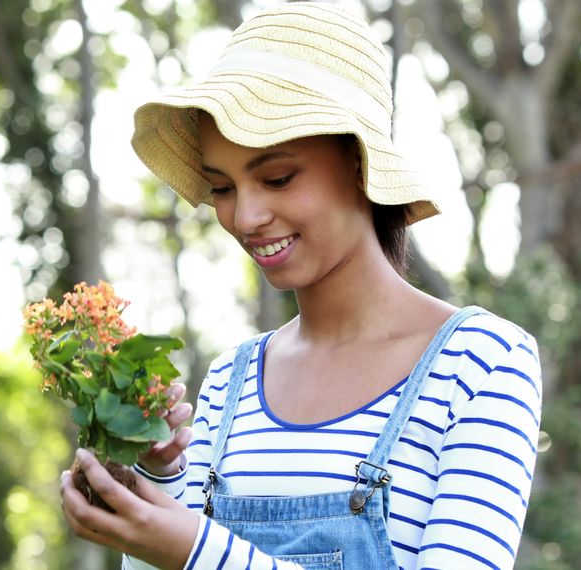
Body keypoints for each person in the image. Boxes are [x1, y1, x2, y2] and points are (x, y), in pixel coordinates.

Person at [58, 2, 543, 570]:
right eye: (222, 188)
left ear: (361, 165)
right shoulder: (230, 381)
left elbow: (200, 559)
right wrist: (154, 479)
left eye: (277, 177)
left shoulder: (479, 362)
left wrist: (196, 550)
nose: (246, 217)